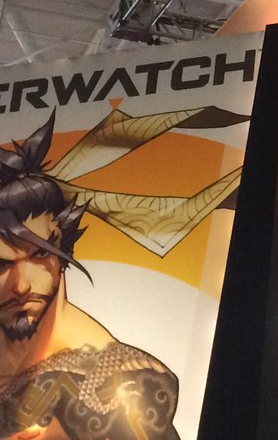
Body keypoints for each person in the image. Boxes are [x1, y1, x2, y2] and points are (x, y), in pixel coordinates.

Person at [0, 114, 179, 440]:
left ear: (60, 248)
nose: (22, 285)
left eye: (39, 255)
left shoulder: (119, 382)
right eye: (2, 265)